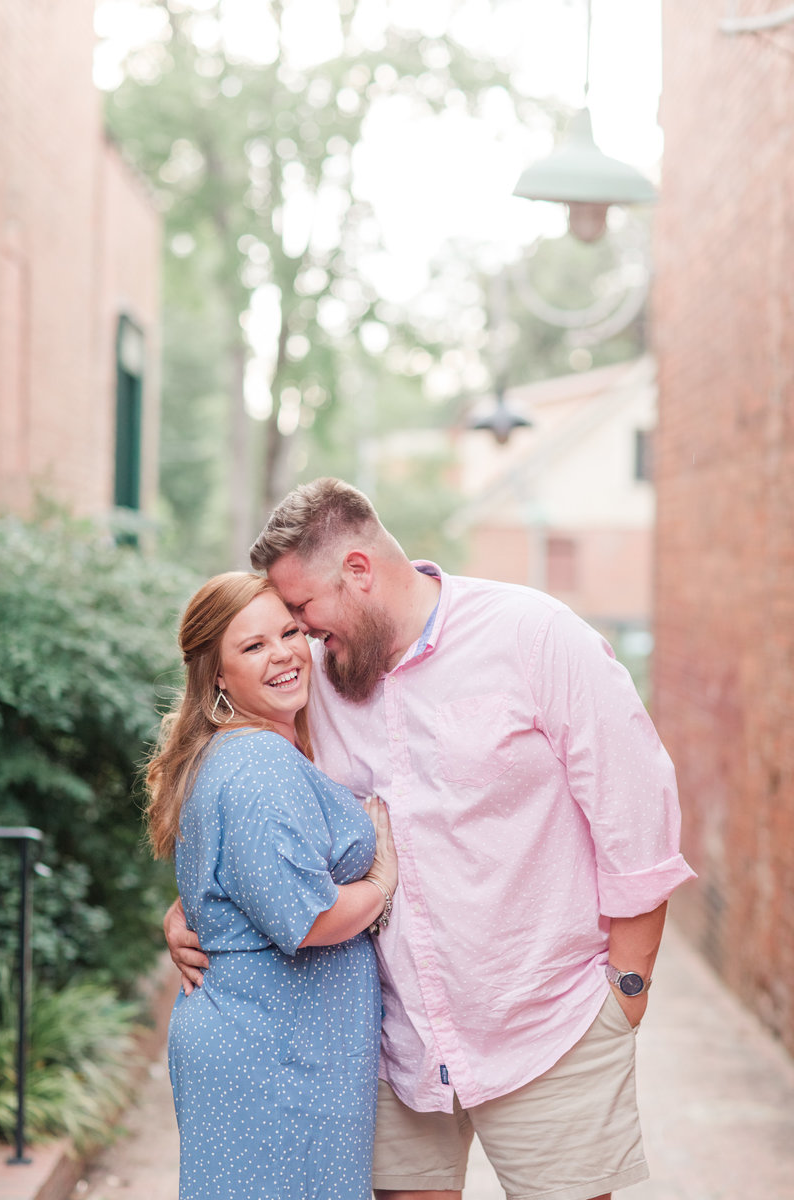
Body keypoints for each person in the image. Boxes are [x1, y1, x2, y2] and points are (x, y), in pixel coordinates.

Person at [166, 480, 696, 1200]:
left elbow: (636, 814)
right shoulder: (314, 675)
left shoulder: (534, 636)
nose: (298, 633)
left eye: (302, 611)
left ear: (358, 571)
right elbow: (258, 815)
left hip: (548, 1028)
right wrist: (199, 909)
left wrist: (626, 989)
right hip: (391, 1044)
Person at [146, 571, 398, 1200]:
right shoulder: (258, 763)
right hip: (275, 1058)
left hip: (282, 1048)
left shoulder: (249, 750)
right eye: (253, 646)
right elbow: (307, 919)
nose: (284, 652)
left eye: (289, 632)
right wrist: (381, 884)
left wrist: (185, 914)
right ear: (218, 678)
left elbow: (236, 886)